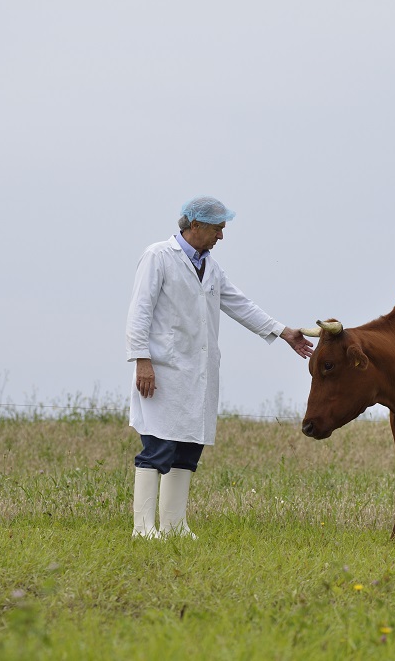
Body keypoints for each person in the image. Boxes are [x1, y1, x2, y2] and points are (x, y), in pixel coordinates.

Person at [126, 196, 313, 539]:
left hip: (198, 373)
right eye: (218, 229)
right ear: (195, 226)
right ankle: (143, 528)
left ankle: (173, 526)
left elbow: (240, 304)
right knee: (158, 446)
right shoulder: (158, 256)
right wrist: (142, 360)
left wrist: (283, 331)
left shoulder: (210, 267)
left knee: (187, 448)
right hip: (162, 371)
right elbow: (139, 311)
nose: (221, 237)